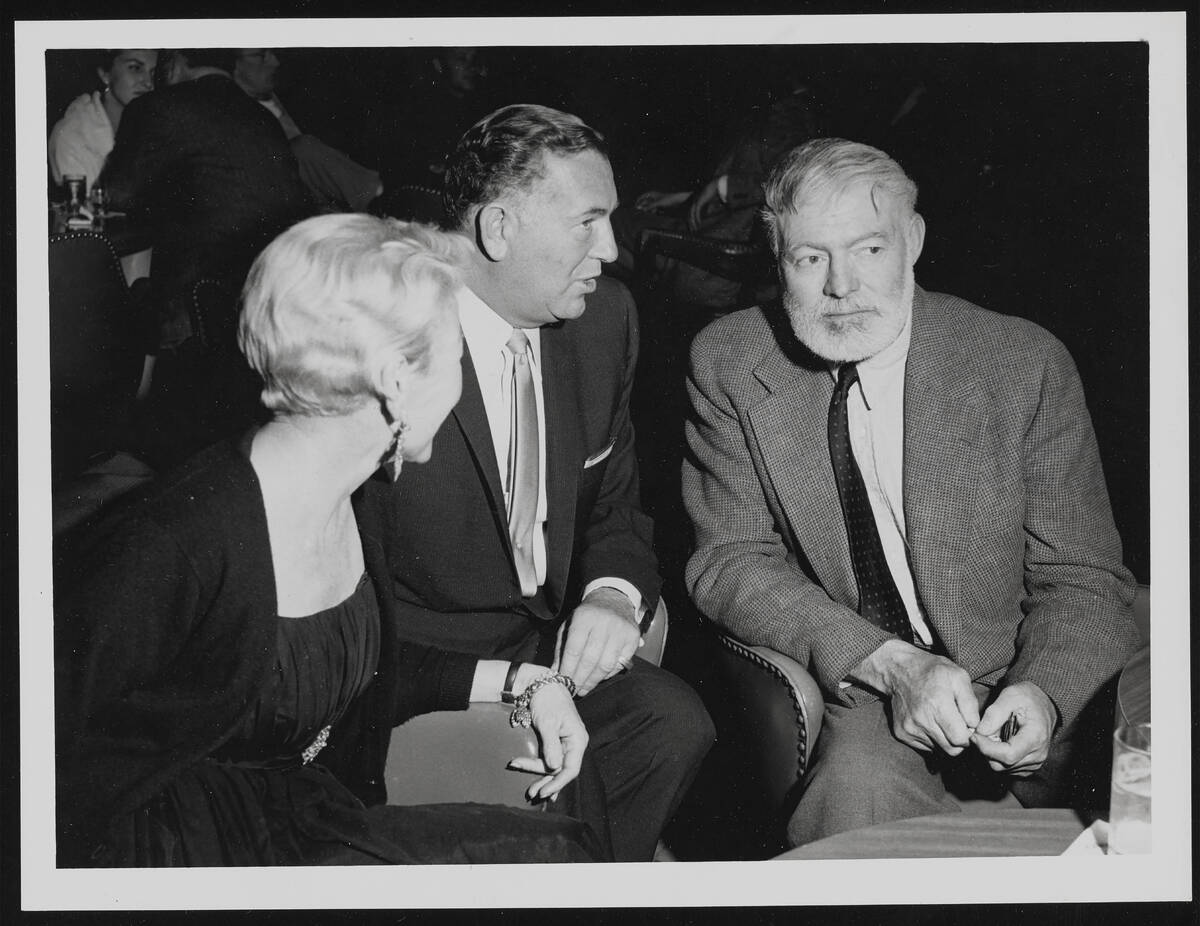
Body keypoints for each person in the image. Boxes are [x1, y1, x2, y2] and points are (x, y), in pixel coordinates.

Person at [54, 214, 609, 867]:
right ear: (397, 380)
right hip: (183, 865)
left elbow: (344, 666)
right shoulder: (168, 547)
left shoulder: (358, 493)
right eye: (456, 356)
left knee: (566, 855)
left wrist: (529, 683)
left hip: (301, 821)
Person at [682, 137, 1141, 846]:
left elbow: (1082, 578)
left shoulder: (1022, 363)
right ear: (777, 262)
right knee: (850, 802)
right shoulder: (732, 363)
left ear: (913, 241)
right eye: (810, 258)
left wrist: (1043, 695)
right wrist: (892, 665)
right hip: (874, 684)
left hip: (1031, 670)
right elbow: (730, 560)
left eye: (868, 250)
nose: (841, 286)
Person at [357, 104, 715, 863]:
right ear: (497, 229)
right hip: (414, 664)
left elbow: (616, 505)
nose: (612, 250)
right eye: (588, 221)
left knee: (677, 725)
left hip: (541, 639)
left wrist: (611, 596)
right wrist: (505, 683)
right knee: (572, 794)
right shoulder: (385, 341)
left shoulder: (603, 321)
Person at [101, 47, 315, 469]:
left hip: (199, 310)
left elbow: (114, 195)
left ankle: (108, 445)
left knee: (112, 299)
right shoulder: (261, 116)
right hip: (270, 303)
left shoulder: (159, 106)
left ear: (176, 63)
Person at [232, 48, 383, 213]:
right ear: (233, 64)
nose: (274, 61)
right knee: (303, 148)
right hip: (288, 197)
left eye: (271, 52)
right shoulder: (232, 114)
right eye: (261, 56)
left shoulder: (293, 94)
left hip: (333, 198)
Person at [48, 48, 158, 189]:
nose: (148, 83)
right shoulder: (73, 134)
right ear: (105, 74)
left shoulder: (154, 124)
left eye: (153, 73)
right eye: (135, 68)